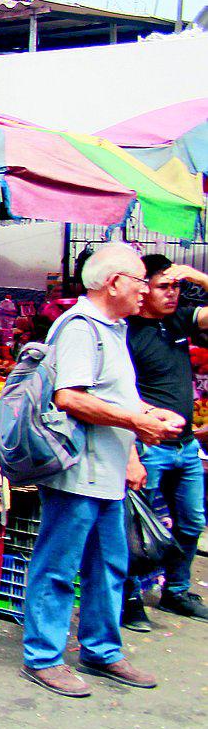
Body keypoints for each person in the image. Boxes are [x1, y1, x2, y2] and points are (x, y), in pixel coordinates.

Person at [21, 244, 183, 698]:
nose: (145, 290)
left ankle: (102, 649)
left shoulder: (114, 329)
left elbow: (115, 395)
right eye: (140, 282)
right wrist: (135, 421)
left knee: (109, 565)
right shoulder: (79, 329)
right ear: (114, 283)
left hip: (110, 472)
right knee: (58, 565)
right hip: (78, 472)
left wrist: (144, 420)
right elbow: (69, 397)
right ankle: (43, 657)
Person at [120, 255, 208, 630]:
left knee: (191, 523)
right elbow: (117, 395)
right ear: (144, 289)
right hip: (148, 446)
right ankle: (130, 598)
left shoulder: (178, 320)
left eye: (175, 286)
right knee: (138, 530)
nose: (172, 294)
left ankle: (176, 590)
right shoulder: (126, 332)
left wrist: (195, 276)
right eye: (163, 286)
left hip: (186, 446)